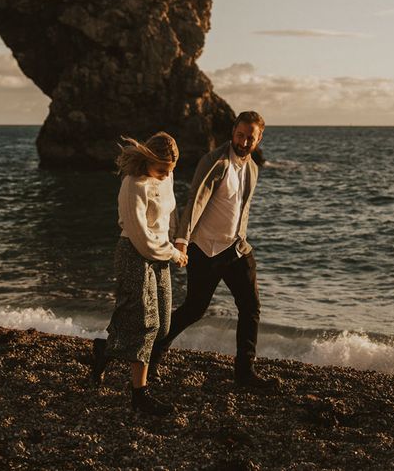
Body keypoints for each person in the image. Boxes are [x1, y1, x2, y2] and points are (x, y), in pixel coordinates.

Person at [150, 111, 273, 388]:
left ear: (259, 138)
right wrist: (182, 239)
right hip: (204, 249)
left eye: (249, 137)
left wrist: (240, 237)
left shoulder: (253, 167)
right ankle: (153, 353)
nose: (243, 142)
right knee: (194, 310)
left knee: (251, 307)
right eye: (239, 135)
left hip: (236, 248)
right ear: (233, 131)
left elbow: (241, 209)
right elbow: (195, 199)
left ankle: (244, 372)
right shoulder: (215, 161)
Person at [90, 132, 188, 416]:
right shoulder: (133, 185)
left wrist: (177, 242)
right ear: (148, 159)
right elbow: (141, 239)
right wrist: (172, 253)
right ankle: (139, 395)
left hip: (161, 254)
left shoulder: (165, 177)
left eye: (170, 171)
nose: (165, 176)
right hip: (134, 254)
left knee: (164, 325)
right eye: (161, 170)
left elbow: (169, 216)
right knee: (147, 325)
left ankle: (104, 351)